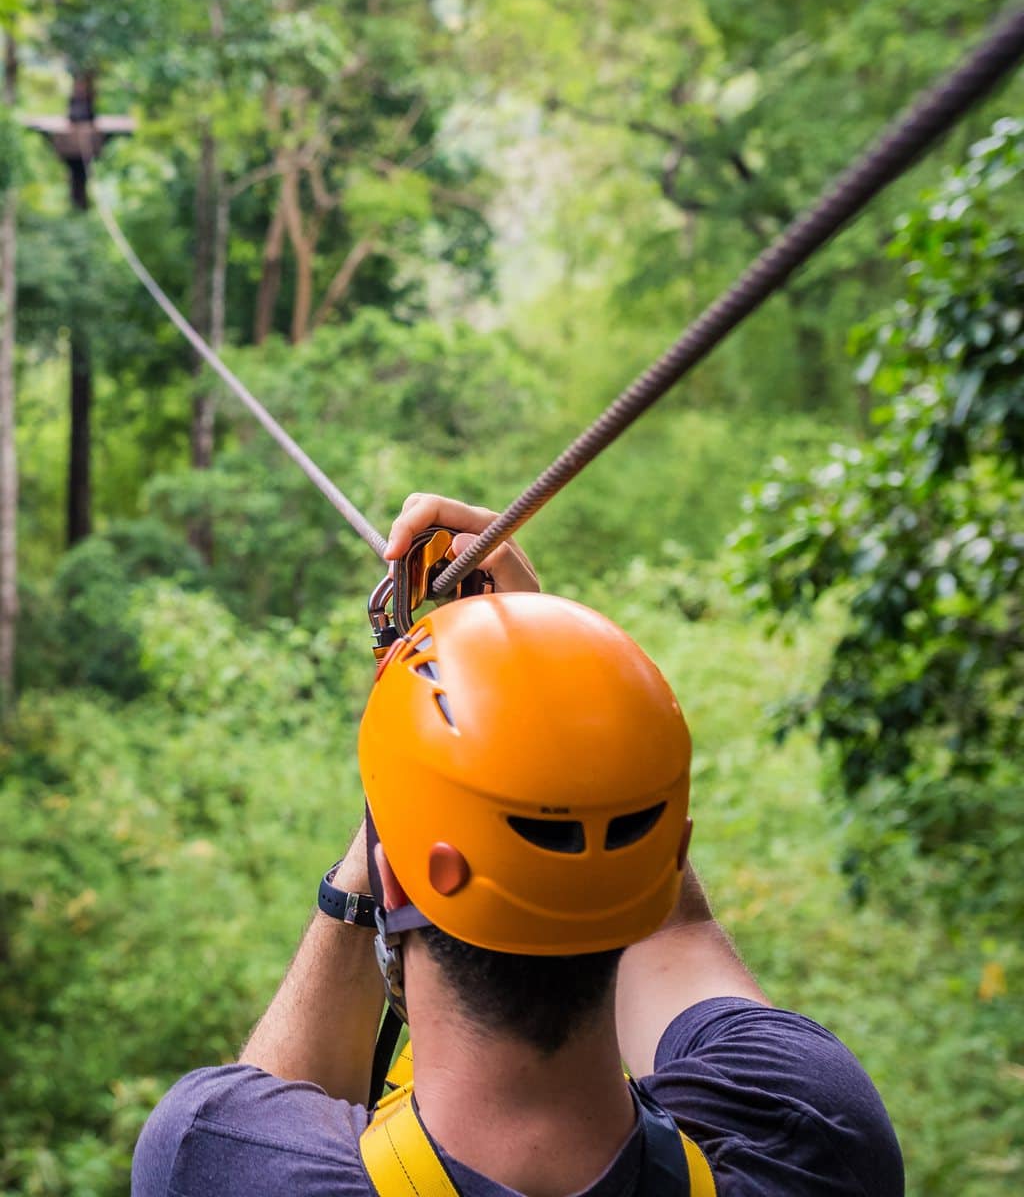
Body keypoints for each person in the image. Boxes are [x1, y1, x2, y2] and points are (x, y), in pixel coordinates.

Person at [133, 493, 904, 1197]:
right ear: (668, 860)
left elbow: (283, 1101)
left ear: (395, 880)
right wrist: (551, 694)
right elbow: (684, 936)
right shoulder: (814, 1141)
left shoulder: (211, 1154)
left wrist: (427, 769)